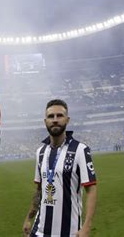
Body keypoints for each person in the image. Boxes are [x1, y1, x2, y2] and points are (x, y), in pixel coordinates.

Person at [23, 99, 97, 237]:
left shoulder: (80, 150)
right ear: (45, 121)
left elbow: (91, 190)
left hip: (68, 231)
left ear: (67, 120)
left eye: (59, 115)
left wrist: (87, 226)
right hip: (39, 231)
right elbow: (39, 190)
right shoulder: (40, 152)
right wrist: (29, 218)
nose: (55, 120)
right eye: (51, 116)